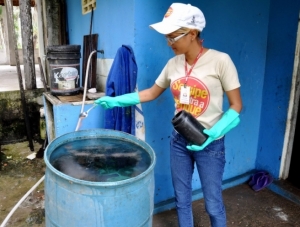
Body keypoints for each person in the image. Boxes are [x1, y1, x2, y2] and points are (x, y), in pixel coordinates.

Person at [95, 3, 242, 227]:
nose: (168, 42)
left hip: (210, 144)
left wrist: (215, 133)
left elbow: (236, 105)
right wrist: (116, 100)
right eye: (167, 37)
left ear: (192, 34)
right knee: (182, 201)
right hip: (179, 142)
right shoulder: (173, 64)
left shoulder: (221, 61)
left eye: (173, 36)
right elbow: (152, 92)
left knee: (212, 203)